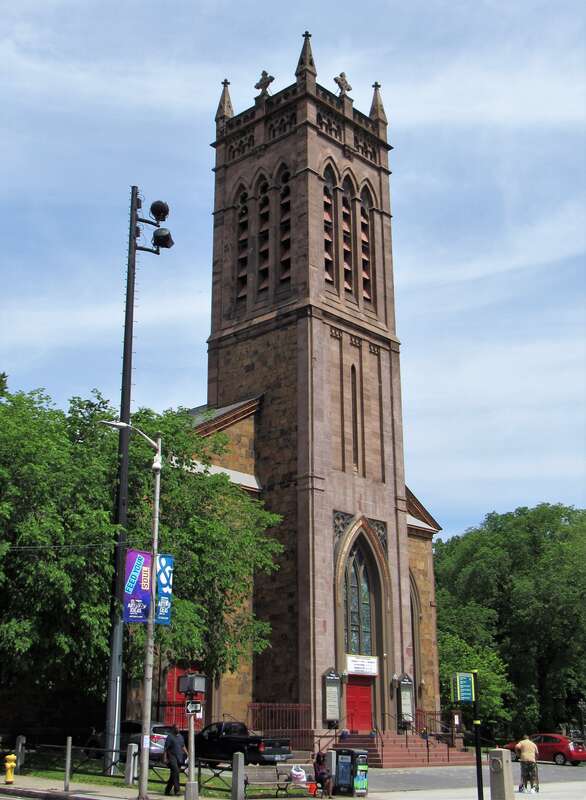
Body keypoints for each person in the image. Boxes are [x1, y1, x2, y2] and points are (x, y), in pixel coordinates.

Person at [164, 725, 187, 796]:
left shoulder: (180, 737)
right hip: (171, 757)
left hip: (179, 758)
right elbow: (165, 749)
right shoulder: (170, 737)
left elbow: (183, 746)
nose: (178, 729)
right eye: (176, 728)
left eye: (179, 728)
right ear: (173, 729)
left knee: (174, 774)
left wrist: (188, 754)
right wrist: (165, 758)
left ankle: (167, 790)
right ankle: (177, 790)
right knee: (176, 771)